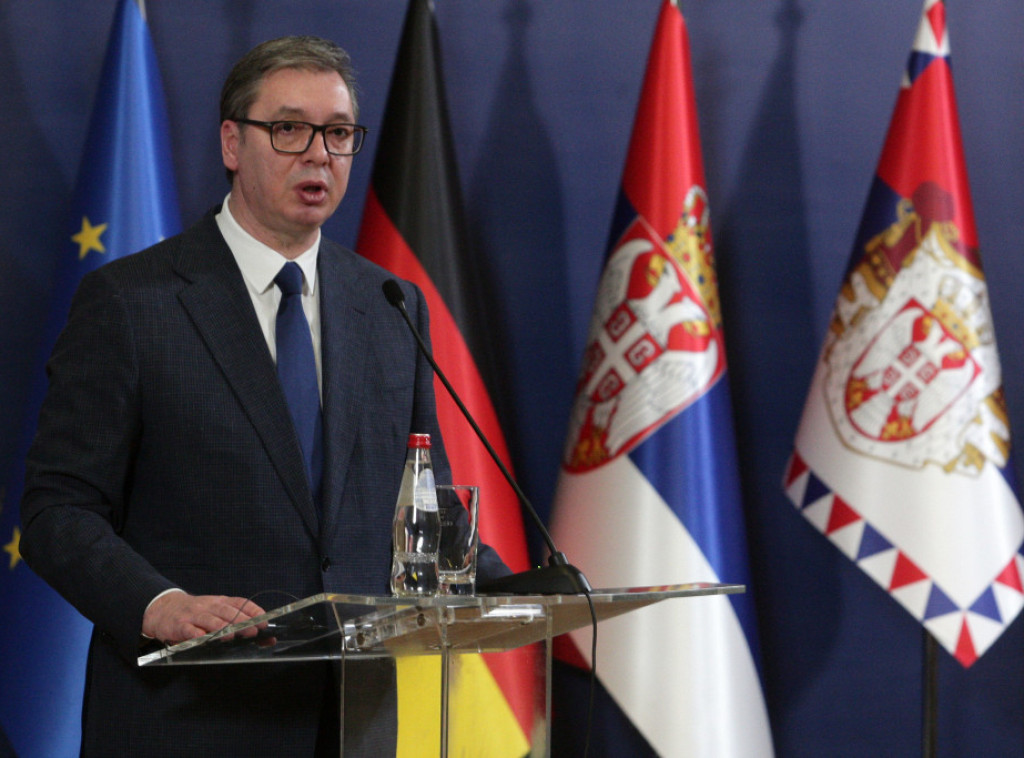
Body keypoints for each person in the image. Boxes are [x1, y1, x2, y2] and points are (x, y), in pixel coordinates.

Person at [20, 35, 508, 757]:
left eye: (338, 133)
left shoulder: (390, 304)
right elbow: (58, 511)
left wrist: (526, 590)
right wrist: (158, 604)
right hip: (188, 718)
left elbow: (422, 499)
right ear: (231, 142)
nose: (318, 154)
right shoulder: (132, 303)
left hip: (352, 721)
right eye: (288, 129)